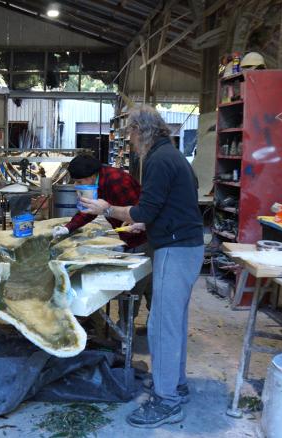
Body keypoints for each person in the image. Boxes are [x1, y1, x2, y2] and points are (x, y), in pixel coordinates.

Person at [80, 105, 203, 427]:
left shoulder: (159, 160)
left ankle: (167, 401)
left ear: (141, 131)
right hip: (184, 245)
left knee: (162, 327)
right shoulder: (172, 155)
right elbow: (170, 204)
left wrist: (110, 209)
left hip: (176, 250)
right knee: (172, 323)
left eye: (131, 134)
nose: (131, 141)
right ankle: (175, 385)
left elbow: (145, 210)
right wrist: (147, 223)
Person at [52, 155, 151, 326]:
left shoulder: (117, 181)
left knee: (135, 286)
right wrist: (68, 227)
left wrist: (137, 222)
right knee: (146, 282)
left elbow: (141, 211)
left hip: (143, 236)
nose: (77, 185)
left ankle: (125, 333)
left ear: (92, 175)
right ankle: (147, 329)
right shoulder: (94, 182)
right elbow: (88, 210)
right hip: (127, 236)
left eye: (79, 181)